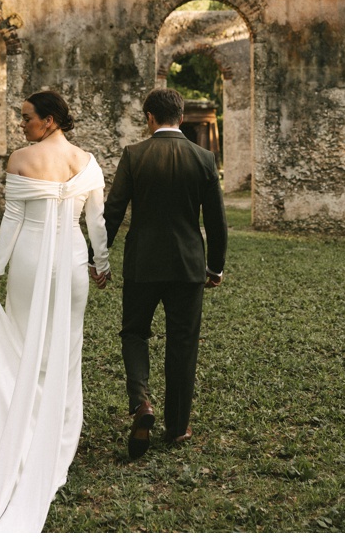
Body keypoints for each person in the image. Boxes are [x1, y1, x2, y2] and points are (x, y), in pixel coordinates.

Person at [0, 89, 109, 532]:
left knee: (22, 350)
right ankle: (54, 440)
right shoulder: (89, 163)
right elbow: (96, 222)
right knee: (65, 354)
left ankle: (22, 434)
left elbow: (12, 220)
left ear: (50, 120)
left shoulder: (20, 160)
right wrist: (102, 264)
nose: (22, 124)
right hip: (73, 263)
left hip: (32, 262)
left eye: (28, 117)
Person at [103, 86, 228, 459]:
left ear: (149, 118)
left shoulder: (134, 155)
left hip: (142, 263)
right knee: (183, 343)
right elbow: (218, 223)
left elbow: (113, 211)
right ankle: (177, 427)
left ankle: (141, 404)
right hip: (188, 266)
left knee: (135, 332)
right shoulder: (204, 158)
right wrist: (216, 266)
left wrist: (98, 257)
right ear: (181, 116)